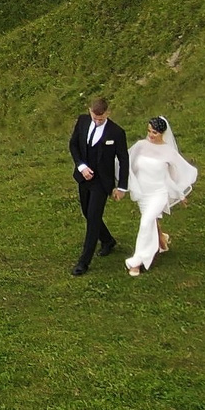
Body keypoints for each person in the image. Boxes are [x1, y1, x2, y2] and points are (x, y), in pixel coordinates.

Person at [125, 116, 199, 276]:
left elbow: (171, 175)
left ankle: (136, 262)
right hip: (143, 193)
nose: (151, 135)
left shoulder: (168, 152)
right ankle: (161, 241)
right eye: (149, 131)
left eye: (155, 132)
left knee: (146, 222)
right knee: (150, 222)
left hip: (158, 194)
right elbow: (128, 165)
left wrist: (180, 194)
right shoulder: (140, 146)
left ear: (162, 133)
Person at [68, 97, 130, 276]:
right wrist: (81, 166)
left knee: (94, 218)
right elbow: (73, 145)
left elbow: (124, 160)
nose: (96, 121)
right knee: (87, 212)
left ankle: (83, 262)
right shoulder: (82, 121)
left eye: (100, 119)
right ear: (89, 111)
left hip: (102, 183)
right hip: (84, 177)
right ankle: (108, 240)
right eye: (94, 117)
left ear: (108, 113)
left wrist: (122, 187)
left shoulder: (117, 132)